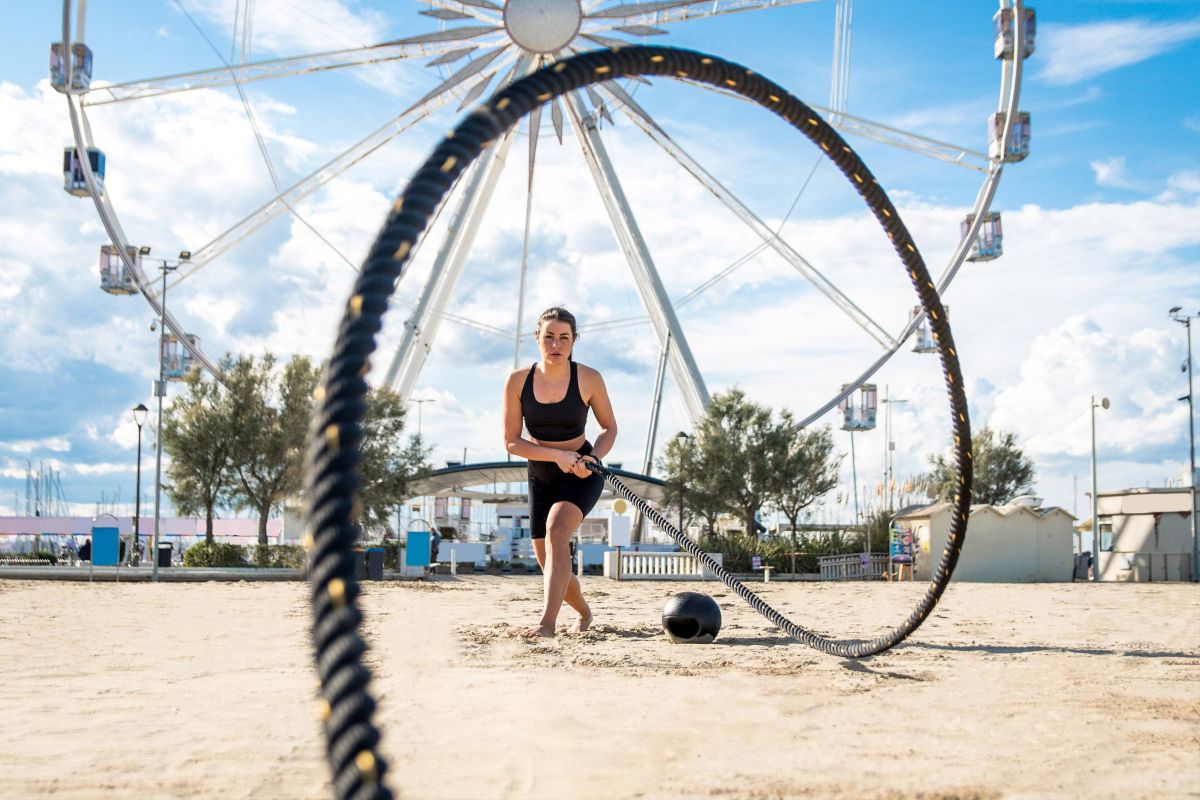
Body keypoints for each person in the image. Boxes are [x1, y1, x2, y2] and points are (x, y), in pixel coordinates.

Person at [503, 307, 617, 638]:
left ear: (573, 341)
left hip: (582, 471)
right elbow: (511, 442)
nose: (556, 344)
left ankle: (546, 625)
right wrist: (555, 456)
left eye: (564, 338)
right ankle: (584, 613)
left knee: (556, 531)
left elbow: (609, 428)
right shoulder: (517, 381)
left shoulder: (589, 378)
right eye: (549, 337)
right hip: (543, 472)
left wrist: (593, 458)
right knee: (549, 561)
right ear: (537, 339)